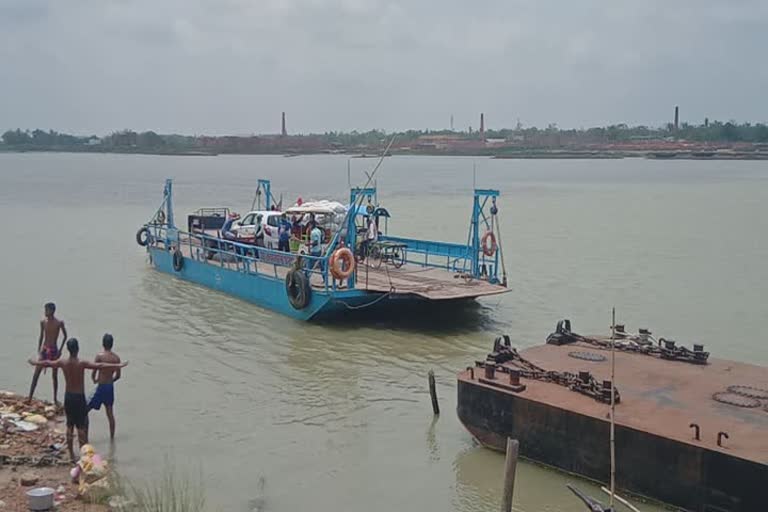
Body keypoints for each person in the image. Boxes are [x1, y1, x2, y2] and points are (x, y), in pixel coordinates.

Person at [28, 338, 128, 462]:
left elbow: (48, 362)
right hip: (79, 397)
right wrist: (118, 365)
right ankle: (84, 455)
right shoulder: (81, 363)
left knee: (69, 426)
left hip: (68, 397)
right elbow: (100, 365)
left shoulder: (63, 362)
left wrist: (35, 363)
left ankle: (71, 455)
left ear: (68, 349)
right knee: (81, 427)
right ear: (78, 349)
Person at [28, 302, 67, 406]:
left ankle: (54, 398)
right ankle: (30, 397)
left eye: (47, 310)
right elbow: (41, 336)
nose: (45, 312)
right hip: (45, 350)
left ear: (52, 311)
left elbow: (65, 336)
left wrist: (60, 350)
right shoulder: (43, 322)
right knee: (36, 374)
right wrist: (39, 349)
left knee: (54, 376)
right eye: (45, 310)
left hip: (54, 350)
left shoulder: (59, 323)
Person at [89, 334, 122, 440]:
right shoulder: (116, 358)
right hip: (109, 387)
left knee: (86, 408)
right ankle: (112, 438)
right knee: (110, 413)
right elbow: (118, 376)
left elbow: (94, 372)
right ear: (112, 344)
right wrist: (111, 381)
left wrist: (94, 379)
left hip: (101, 386)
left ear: (103, 343)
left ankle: (84, 434)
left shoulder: (99, 356)